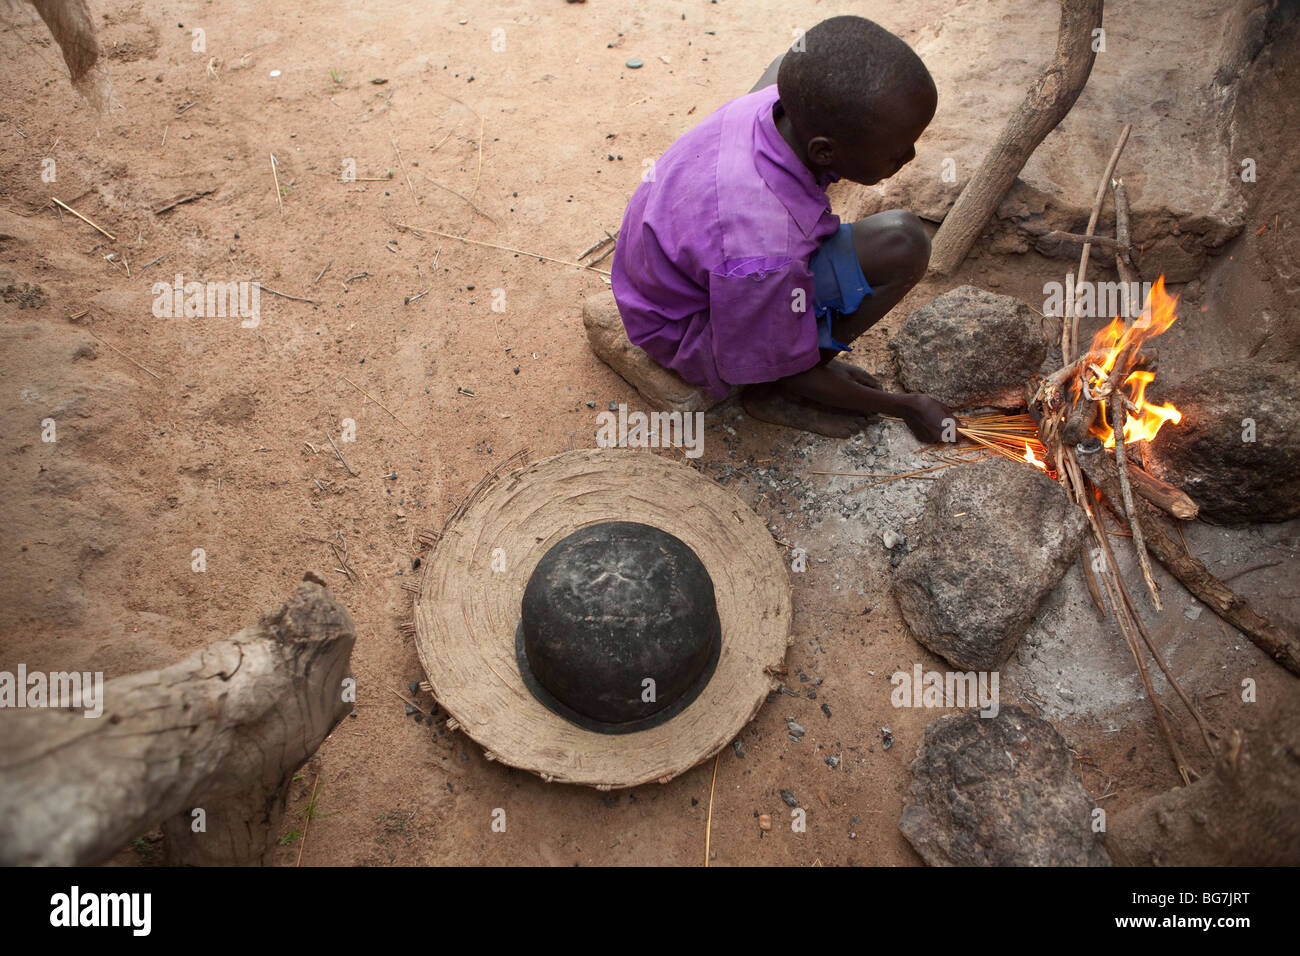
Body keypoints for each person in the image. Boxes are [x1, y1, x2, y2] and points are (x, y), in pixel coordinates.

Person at [610, 15, 954, 441]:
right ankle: (775, 392)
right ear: (824, 151)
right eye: (896, 153)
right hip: (685, 326)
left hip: (667, 271)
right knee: (904, 244)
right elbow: (759, 261)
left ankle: (796, 350)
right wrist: (905, 406)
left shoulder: (777, 101)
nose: (911, 157)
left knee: (787, 66)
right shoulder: (764, 248)